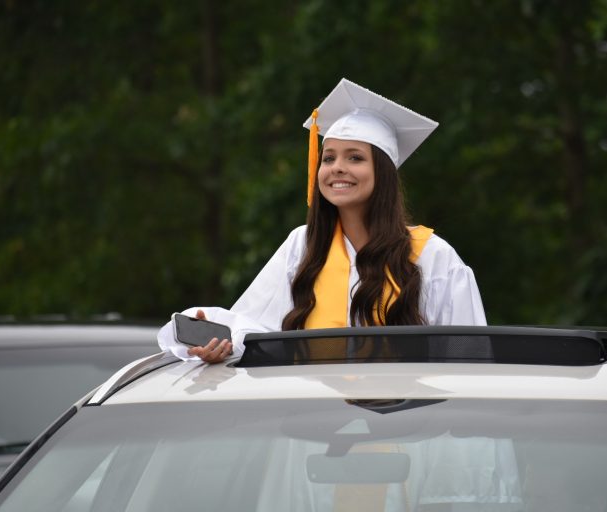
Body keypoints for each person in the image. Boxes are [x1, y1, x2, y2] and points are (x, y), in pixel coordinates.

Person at [158, 78, 487, 364]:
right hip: (317, 425)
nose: (337, 167)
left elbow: (470, 357)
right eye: (328, 158)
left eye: (355, 157)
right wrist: (222, 343)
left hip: (409, 429)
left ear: (383, 173)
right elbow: (255, 327)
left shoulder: (433, 256)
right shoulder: (303, 246)